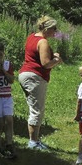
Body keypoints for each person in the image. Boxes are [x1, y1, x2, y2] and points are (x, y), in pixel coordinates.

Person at [18, 15, 64, 150]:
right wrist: (57, 60)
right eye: (54, 29)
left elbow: (35, 56)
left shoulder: (32, 36)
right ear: (47, 28)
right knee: (37, 110)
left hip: (26, 73)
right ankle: (33, 142)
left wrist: (52, 55)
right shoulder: (43, 42)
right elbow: (45, 64)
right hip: (34, 76)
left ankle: (35, 140)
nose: (55, 31)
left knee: (35, 108)